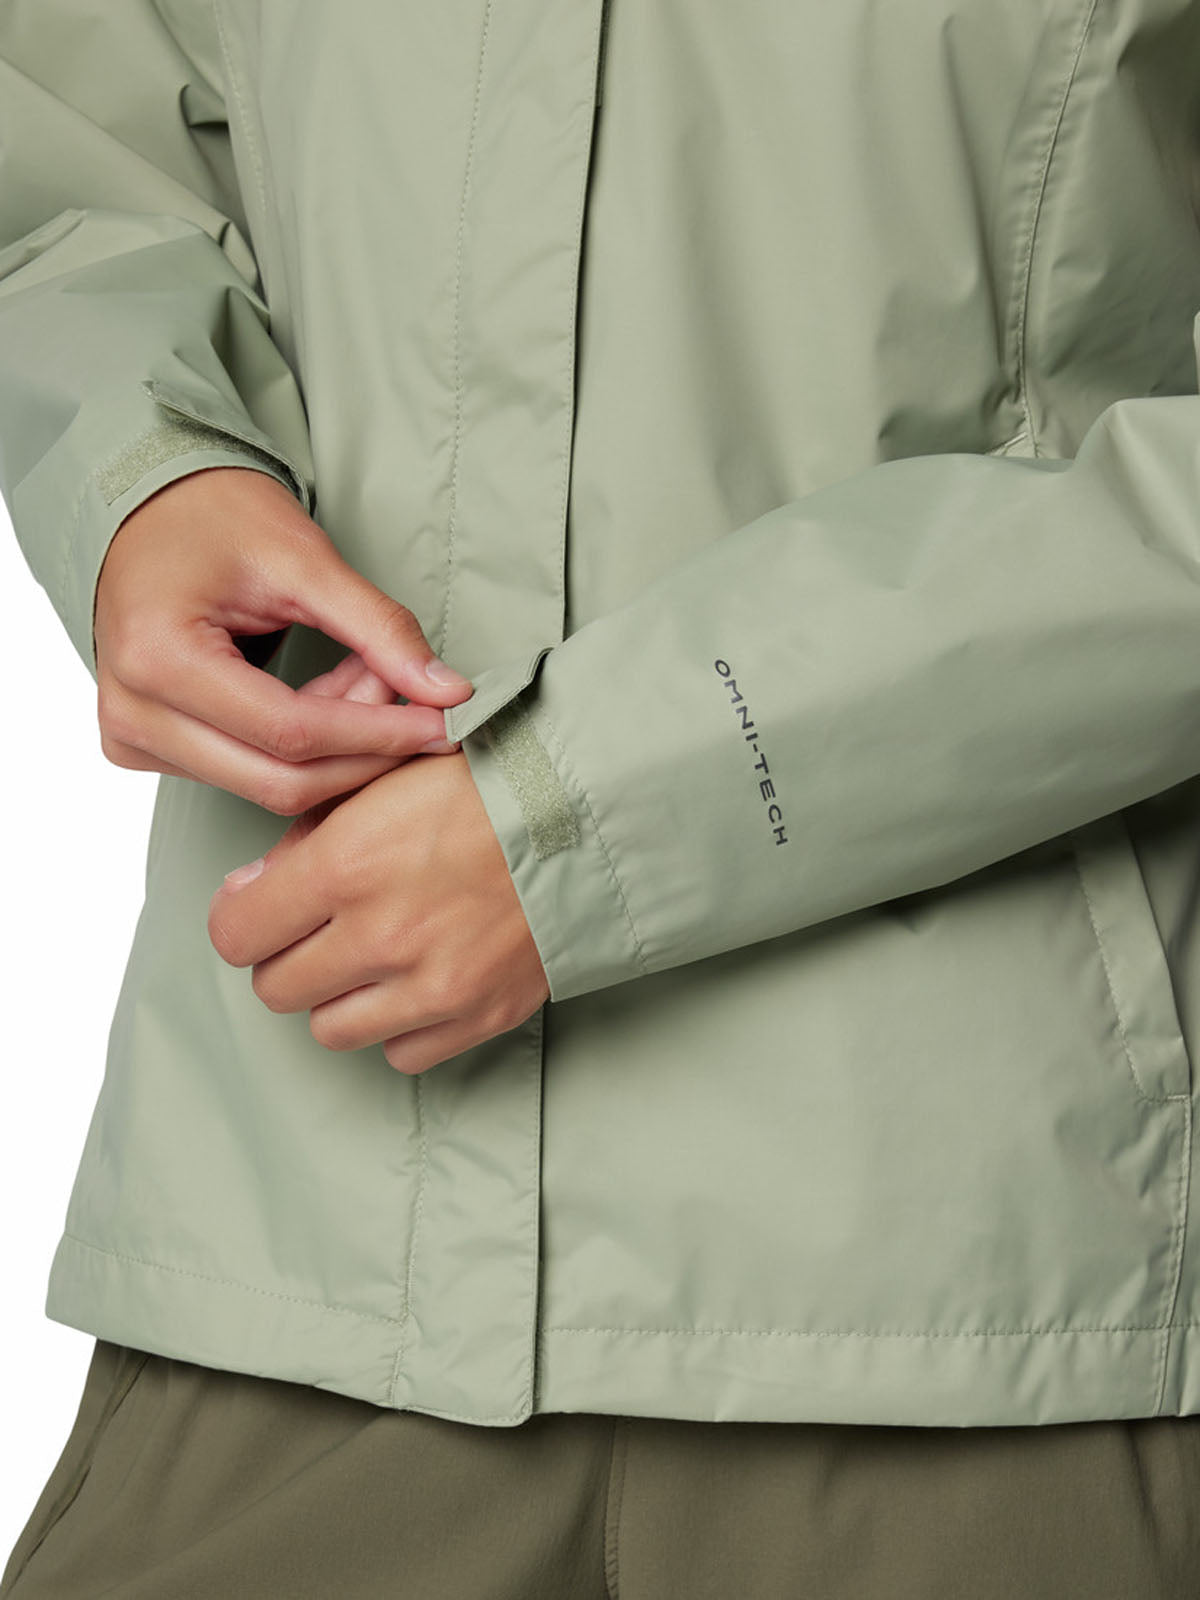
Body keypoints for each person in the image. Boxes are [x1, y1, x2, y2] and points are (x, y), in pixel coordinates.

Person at [4, 0, 1200, 1594]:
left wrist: (601, 810)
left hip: (984, 1317)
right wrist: (147, 467)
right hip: (301, 1264)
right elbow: (66, 132)